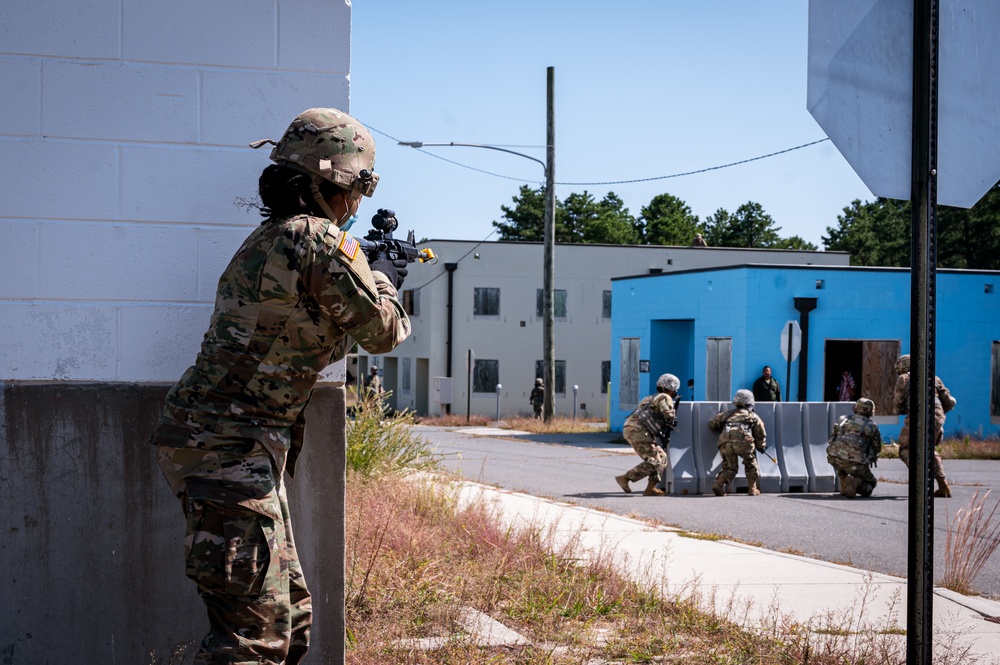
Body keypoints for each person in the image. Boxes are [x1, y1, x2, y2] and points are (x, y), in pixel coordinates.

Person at [147, 107, 411, 664]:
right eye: (356, 190)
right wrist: (385, 280)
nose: (356, 206)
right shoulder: (315, 240)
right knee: (253, 639)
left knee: (288, 616)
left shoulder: (274, 239)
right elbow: (384, 332)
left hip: (225, 445)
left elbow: (297, 343)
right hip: (229, 450)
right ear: (338, 183)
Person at [892, 353, 957, 497]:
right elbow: (950, 402)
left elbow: (897, 406)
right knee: (928, 448)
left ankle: (920, 482)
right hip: (938, 416)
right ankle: (942, 485)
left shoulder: (903, 379)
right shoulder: (934, 377)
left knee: (906, 449)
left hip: (918, 416)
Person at [615, 373, 680, 497]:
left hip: (633, 428)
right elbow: (667, 412)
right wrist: (673, 416)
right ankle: (625, 478)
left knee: (662, 457)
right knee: (655, 460)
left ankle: (651, 488)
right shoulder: (665, 397)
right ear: (671, 388)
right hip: (638, 430)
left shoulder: (649, 398)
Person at [708, 389, 767, 496]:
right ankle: (752, 489)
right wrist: (761, 446)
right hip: (744, 443)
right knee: (750, 464)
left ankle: (719, 484)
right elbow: (760, 433)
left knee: (730, 467)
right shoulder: (752, 415)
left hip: (725, 443)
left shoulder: (726, 414)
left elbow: (712, 424)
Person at [826, 398, 882, 498]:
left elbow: (832, 438)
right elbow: (876, 448)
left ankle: (844, 485)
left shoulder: (842, 420)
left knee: (842, 463)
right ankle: (856, 483)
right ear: (870, 411)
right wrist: (870, 458)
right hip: (856, 463)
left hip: (834, 458)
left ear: (855, 408)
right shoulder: (872, 426)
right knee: (872, 483)